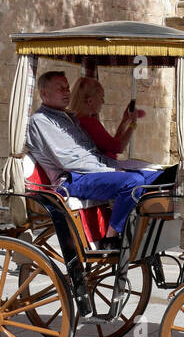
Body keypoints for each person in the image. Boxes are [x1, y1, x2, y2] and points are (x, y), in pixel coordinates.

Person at [25, 71, 173, 247]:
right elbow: (68, 161)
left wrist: (113, 166)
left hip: (90, 171)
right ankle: (111, 236)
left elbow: (93, 151)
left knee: (154, 175)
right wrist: (110, 170)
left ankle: (147, 225)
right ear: (43, 93)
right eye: (60, 89)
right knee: (132, 181)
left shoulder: (68, 118)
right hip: (72, 178)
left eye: (67, 88)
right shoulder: (41, 121)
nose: (66, 92)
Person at [70, 75, 144, 160]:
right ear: (90, 101)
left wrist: (124, 121)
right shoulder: (90, 123)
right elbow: (119, 148)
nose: (103, 102)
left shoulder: (76, 120)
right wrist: (133, 123)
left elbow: (111, 145)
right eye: (101, 97)